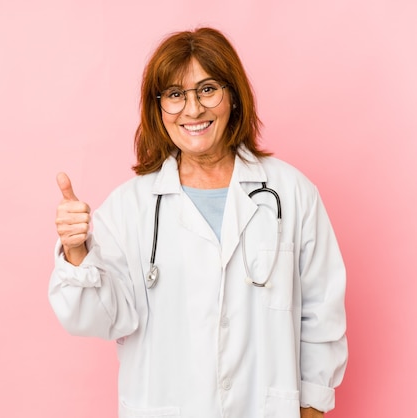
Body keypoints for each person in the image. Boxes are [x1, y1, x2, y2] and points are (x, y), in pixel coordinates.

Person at [49, 27, 347, 418]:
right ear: (158, 109)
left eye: (208, 89)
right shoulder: (130, 207)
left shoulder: (291, 193)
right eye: (175, 95)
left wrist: (311, 409)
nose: (192, 110)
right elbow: (98, 320)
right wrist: (76, 251)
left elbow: (322, 314)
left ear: (233, 97)